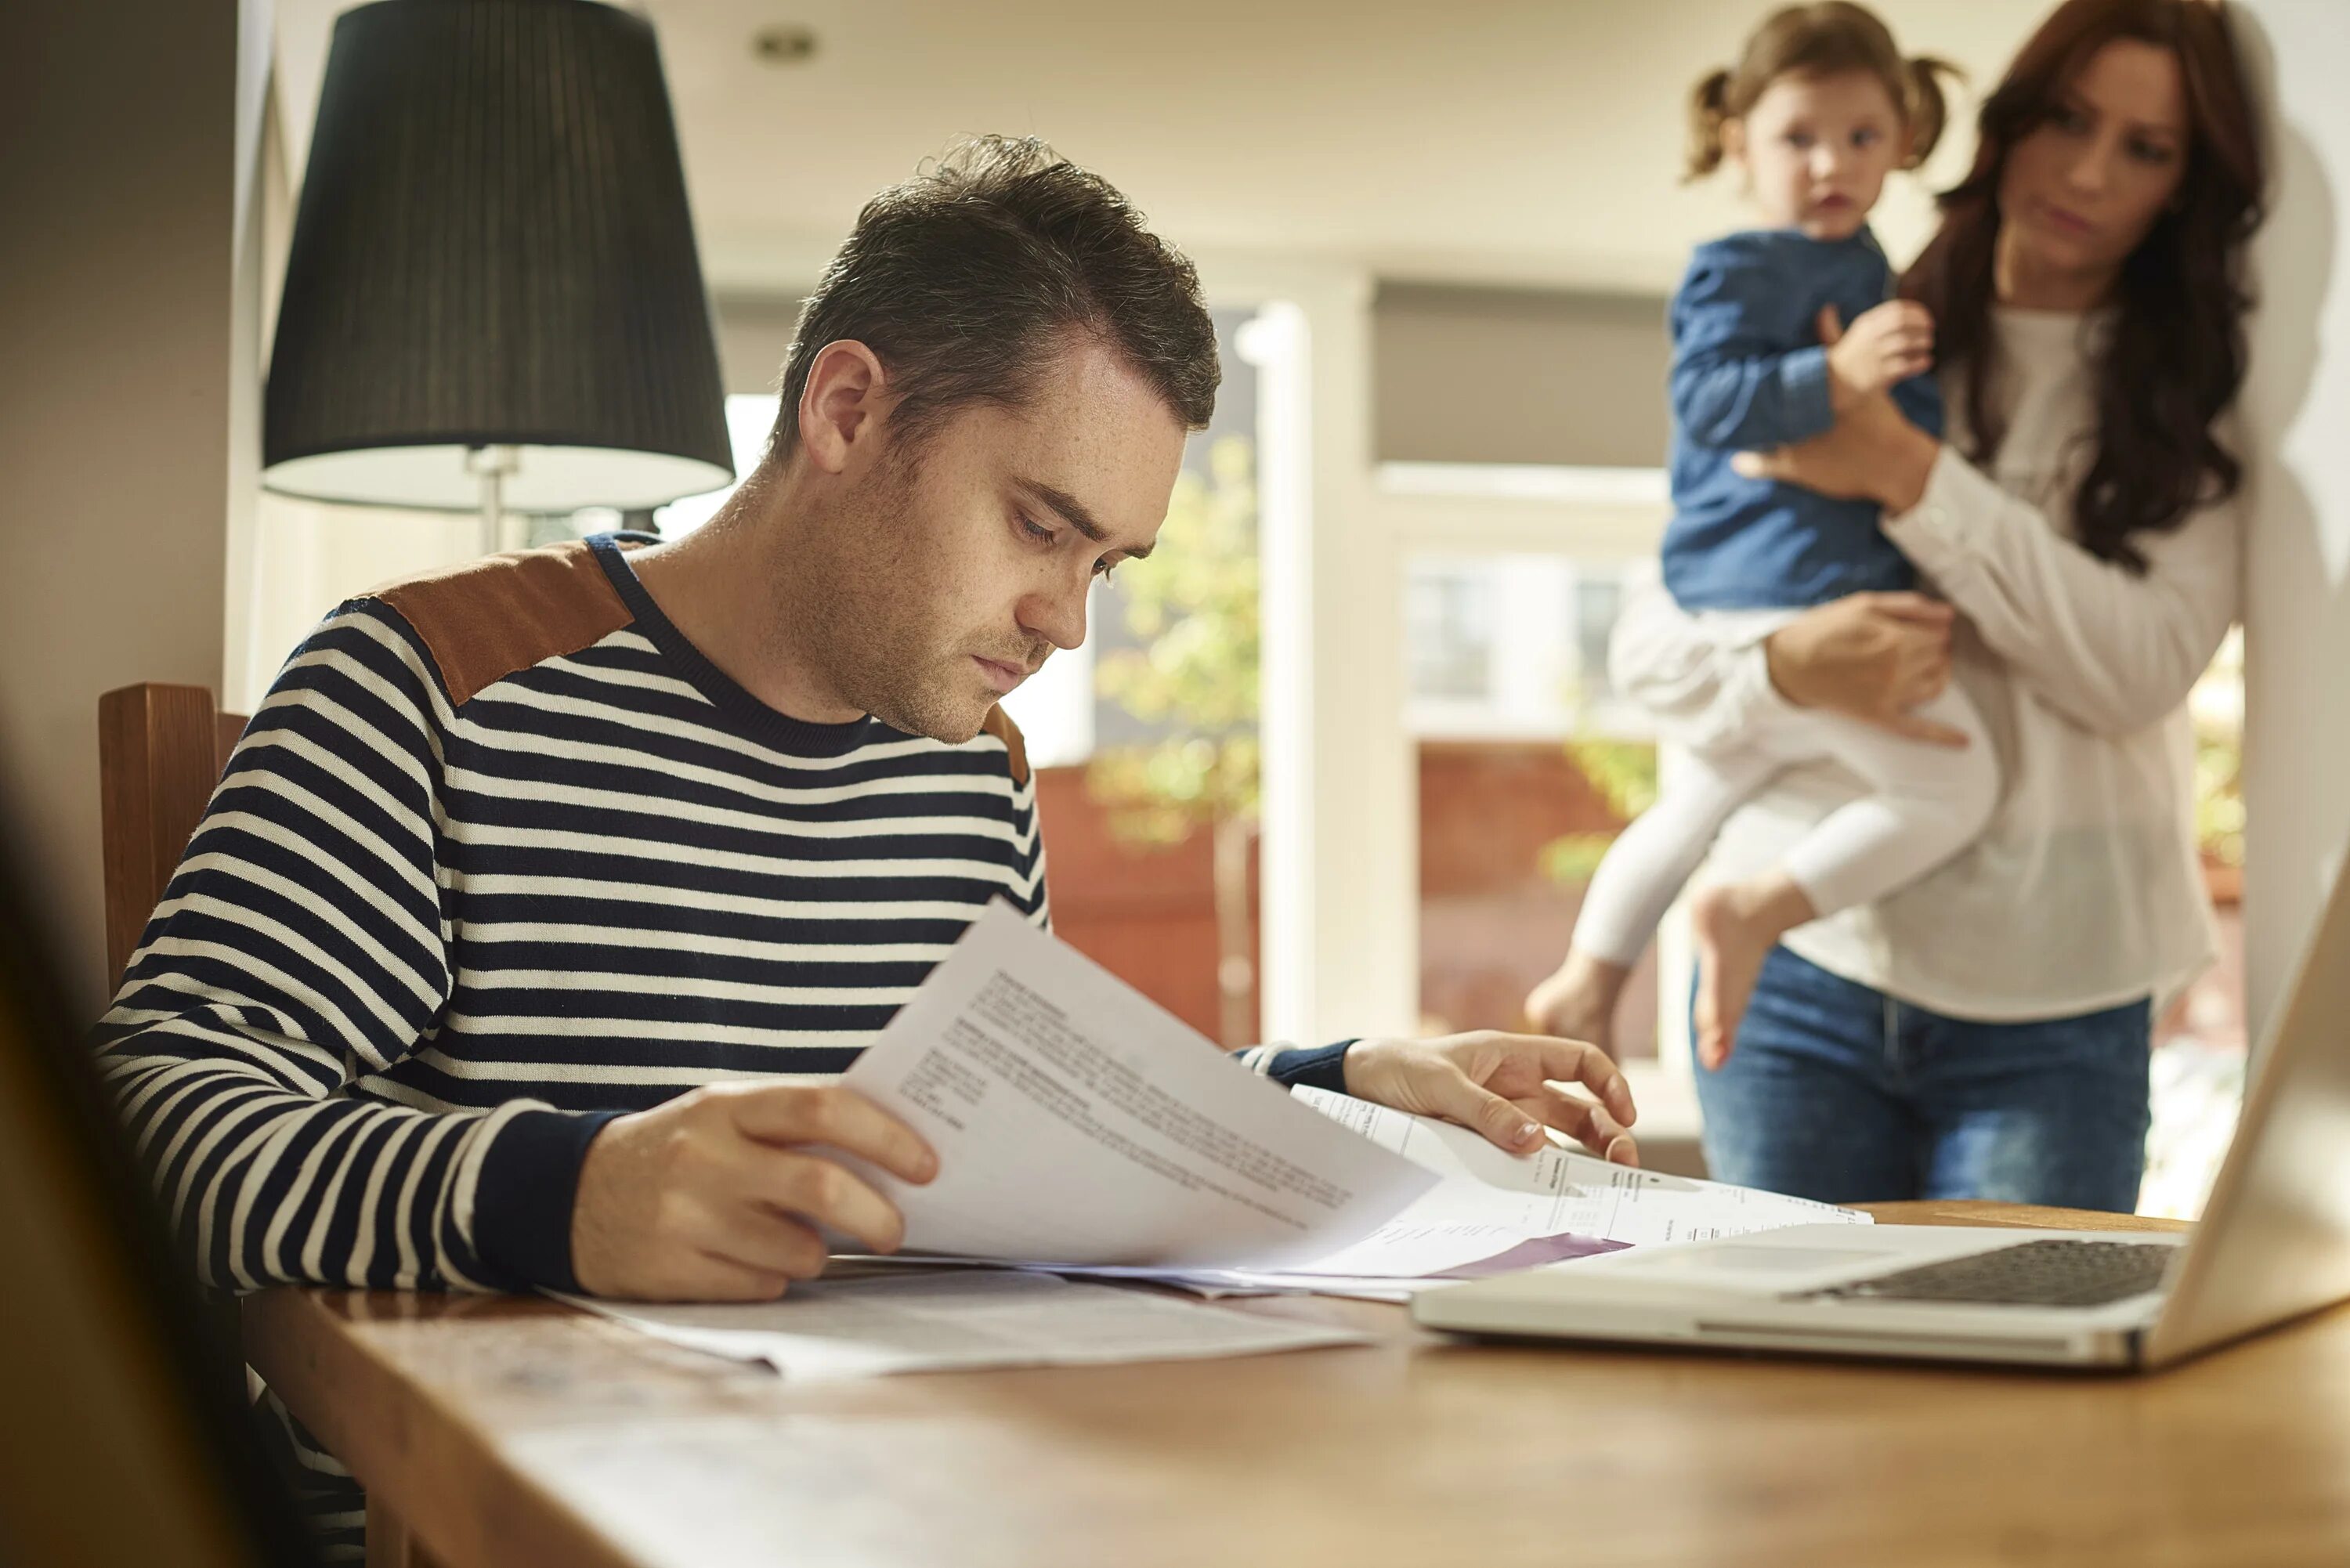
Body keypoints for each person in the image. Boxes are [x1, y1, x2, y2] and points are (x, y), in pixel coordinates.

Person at [92, 138, 1637, 1556]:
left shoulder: (969, 774)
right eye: (1042, 525)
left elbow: (1005, 1148)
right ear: (848, 410)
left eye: (1107, 559)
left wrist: (1332, 1083)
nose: (1067, 620)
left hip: (894, 1497)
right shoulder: (434, 684)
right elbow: (150, 1127)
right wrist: (568, 1193)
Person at [1603, 0, 2263, 1209]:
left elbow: (2136, 670)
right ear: (2007, 126)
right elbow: (1652, 641)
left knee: (2024, 1386)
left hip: (2058, 993)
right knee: (1789, 1385)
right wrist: (1787, 670)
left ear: (2185, 184)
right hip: (1800, 971)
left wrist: (1906, 477)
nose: (2086, 170)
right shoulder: (1844, 325)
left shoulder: (2194, 399)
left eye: (2145, 147)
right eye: (2067, 119)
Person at [1525, 2, 1989, 1069]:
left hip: (1787, 584)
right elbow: (1710, 405)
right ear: (1739, 143)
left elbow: (1896, 434)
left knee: (1699, 794)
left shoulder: (1873, 268)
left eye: (1862, 137)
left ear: (1904, 141)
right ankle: (1755, 911)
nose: (1832, 162)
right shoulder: (1738, 265)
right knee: (1959, 782)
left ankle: (1585, 980)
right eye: (1798, 138)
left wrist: (1892, 414)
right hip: (1774, 583)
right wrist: (1837, 378)